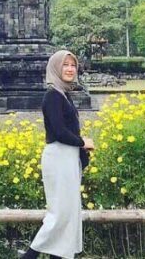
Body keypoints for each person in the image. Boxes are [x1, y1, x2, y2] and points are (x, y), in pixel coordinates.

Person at [21, 50, 95, 259]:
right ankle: (29, 256)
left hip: (68, 156)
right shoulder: (52, 96)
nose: (70, 69)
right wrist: (83, 142)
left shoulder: (64, 94)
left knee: (69, 213)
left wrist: (81, 151)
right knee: (59, 213)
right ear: (55, 68)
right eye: (65, 65)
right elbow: (60, 131)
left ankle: (58, 256)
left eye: (73, 65)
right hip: (58, 156)